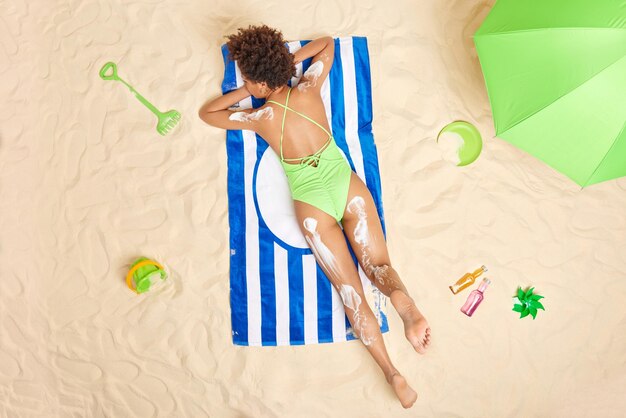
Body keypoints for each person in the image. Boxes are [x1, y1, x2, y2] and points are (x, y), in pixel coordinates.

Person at [199, 24, 430, 409]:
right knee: (377, 264)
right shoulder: (308, 88)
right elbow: (324, 45)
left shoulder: (260, 118)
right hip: (345, 185)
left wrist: (248, 92)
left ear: (256, 79)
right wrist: (288, 63)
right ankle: (401, 301)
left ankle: (393, 373)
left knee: (351, 294)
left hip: (312, 204)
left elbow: (210, 113)